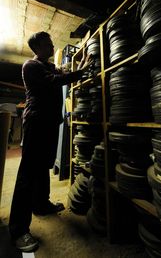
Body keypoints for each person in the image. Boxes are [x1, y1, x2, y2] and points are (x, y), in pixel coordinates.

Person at [9, 31, 92, 252]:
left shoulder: (48, 66)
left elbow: (63, 72)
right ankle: (18, 230)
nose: (52, 47)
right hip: (36, 123)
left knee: (43, 166)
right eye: (47, 45)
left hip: (49, 124)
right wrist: (79, 73)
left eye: (52, 43)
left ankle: (41, 204)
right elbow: (56, 79)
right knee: (27, 173)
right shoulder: (31, 66)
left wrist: (79, 66)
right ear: (36, 48)